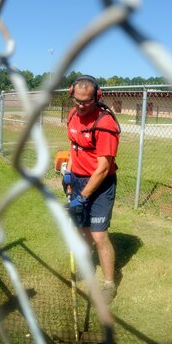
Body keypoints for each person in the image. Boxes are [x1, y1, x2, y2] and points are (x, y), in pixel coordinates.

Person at [62, 75, 121, 304]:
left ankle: (109, 283)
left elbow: (104, 167)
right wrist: (68, 169)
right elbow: (73, 144)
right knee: (83, 230)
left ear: (97, 97)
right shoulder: (73, 115)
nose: (81, 106)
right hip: (77, 179)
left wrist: (82, 198)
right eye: (77, 100)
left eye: (87, 101)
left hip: (100, 184)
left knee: (99, 235)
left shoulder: (104, 123)